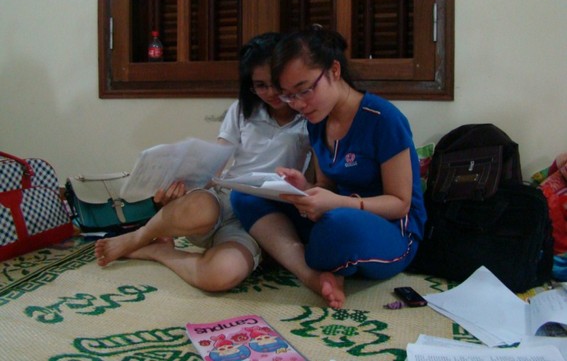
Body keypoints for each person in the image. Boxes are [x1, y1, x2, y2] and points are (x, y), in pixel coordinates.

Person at [94, 32, 310, 292]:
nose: (271, 92)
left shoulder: (309, 116)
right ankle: (139, 237)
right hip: (225, 199)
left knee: (220, 275)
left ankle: (160, 252)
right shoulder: (242, 110)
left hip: (263, 219)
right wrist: (183, 188)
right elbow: (215, 164)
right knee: (199, 206)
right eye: (260, 85)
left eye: (276, 83)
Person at [230, 26, 427, 308]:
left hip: (391, 230)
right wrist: (304, 187)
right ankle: (309, 271)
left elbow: (400, 204)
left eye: (304, 90)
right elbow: (327, 187)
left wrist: (338, 203)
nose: (298, 104)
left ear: (334, 70)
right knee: (244, 195)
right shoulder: (317, 121)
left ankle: (295, 254)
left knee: (336, 228)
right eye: (288, 96)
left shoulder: (382, 118)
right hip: (335, 215)